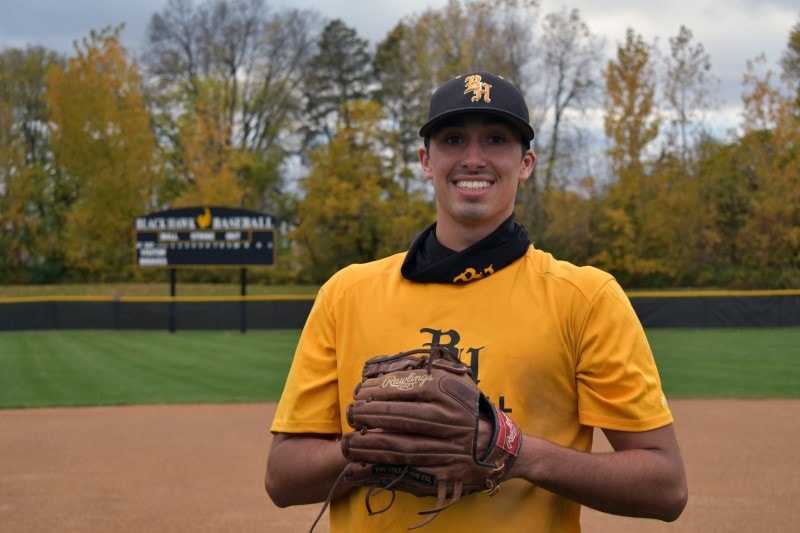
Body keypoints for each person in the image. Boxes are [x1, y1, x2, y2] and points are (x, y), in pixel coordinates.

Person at [265, 71, 688, 532]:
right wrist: (375, 450)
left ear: (525, 162)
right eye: (452, 139)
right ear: (427, 160)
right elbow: (282, 479)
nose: (473, 158)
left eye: (494, 139)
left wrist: (511, 450)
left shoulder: (584, 298)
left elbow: (666, 487)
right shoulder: (346, 295)